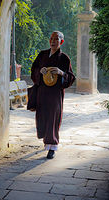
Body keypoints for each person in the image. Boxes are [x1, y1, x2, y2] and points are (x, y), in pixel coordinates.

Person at [31, 31, 75, 159]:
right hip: (42, 92)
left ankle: (52, 146)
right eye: (51, 38)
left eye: (56, 39)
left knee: (53, 117)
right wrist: (40, 71)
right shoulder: (42, 54)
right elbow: (34, 69)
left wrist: (61, 73)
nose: (53, 41)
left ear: (61, 42)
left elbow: (71, 77)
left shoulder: (64, 58)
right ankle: (47, 141)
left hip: (55, 94)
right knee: (43, 117)